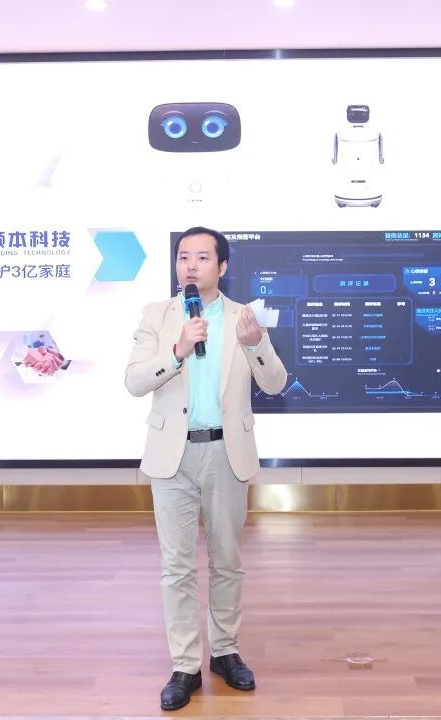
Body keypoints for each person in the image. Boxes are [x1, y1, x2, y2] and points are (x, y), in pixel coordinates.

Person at [125, 226, 288, 711]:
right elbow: (134, 381)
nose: (190, 266)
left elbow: (275, 383)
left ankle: (225, 652)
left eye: (201, 257)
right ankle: (184, 665)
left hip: (225, 454)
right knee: (176, 568)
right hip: (172, 456)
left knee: (226, 562)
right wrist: (177, 351)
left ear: (222, 266)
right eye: (183, 257)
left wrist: (256, 344)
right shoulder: (157, 315)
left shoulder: (244, 318)